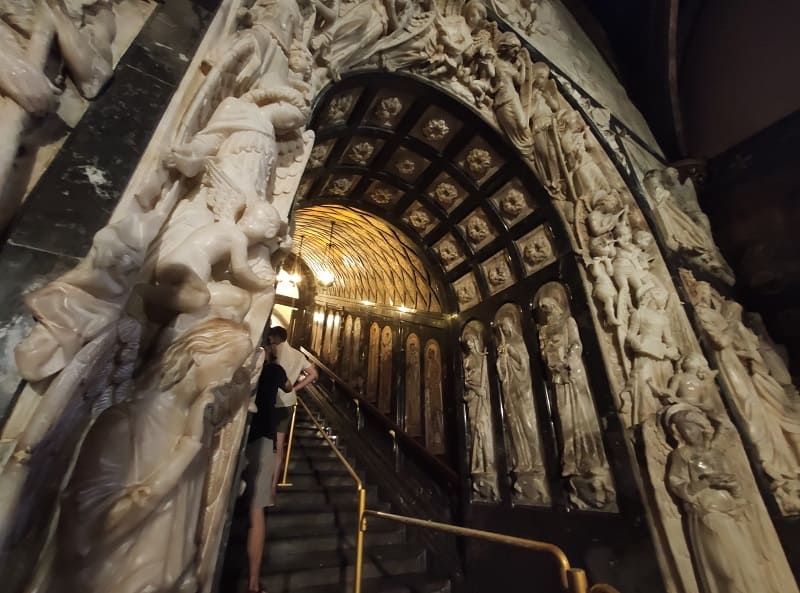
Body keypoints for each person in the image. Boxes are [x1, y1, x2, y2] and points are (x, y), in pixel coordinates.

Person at [245, 351, 294, 593]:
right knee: (256, 512)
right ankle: (253, 582)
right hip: (262, 436)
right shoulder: (274, 370)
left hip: (238, 432)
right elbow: (288, 388)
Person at [266, 326, 318, 496]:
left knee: (264, 440)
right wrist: (296, 388)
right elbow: (313, 373)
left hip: (269, 399)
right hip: (287, 401)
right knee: (279, 445)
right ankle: (273, 485)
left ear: (273, 338)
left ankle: (259, 480)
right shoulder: (297, 354)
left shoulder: (271, 352)